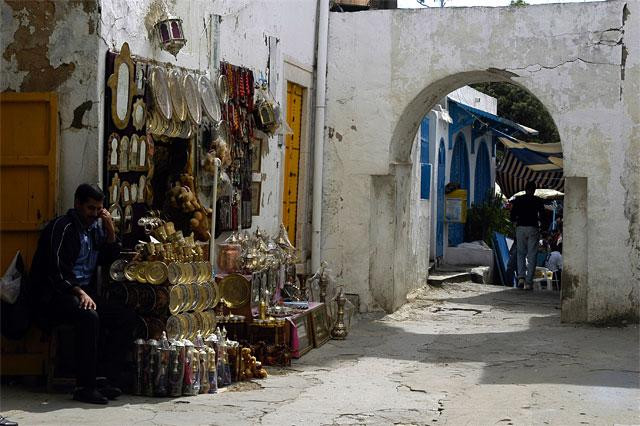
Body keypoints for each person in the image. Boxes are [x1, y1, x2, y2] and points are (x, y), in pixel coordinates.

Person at [30, 184, 135, 404]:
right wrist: (78, 292)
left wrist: (110, 231)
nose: (94, 214)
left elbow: (108, 259)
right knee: (89, 317)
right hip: (55, 296)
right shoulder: (63, 227)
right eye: (90, 209)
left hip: (81, 293)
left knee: (123, 316)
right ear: (77, 204)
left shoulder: (95, 229)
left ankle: (107, 379)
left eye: (99, 210)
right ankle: (84, 386)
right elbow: (55, 271)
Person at [510, 181, 545, 290]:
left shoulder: (518, 200)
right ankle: (529, 282)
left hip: (520, 228)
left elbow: (512, 216)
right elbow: (543, 216)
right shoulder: (538, 200)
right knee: (532, 255)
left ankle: (521, 278)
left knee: (521, 253)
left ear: (525, 189)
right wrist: (542, 227)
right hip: (533, 228)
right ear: (534, 190)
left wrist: (516, 221)